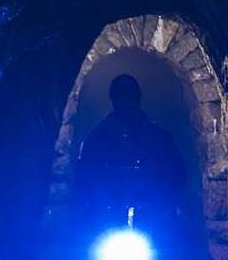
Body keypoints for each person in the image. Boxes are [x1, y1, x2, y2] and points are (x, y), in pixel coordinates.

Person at [75, 73, 186, 242]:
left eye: (129, 97)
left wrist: (163, 206)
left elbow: (176, 175)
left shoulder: (158, 137)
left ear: (137, 99)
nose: (125, 103)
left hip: (151, 222)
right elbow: (85, 177)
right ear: (113, 100)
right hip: (108, 223)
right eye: (121, 97)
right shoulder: (98, 137)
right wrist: (92, 209)